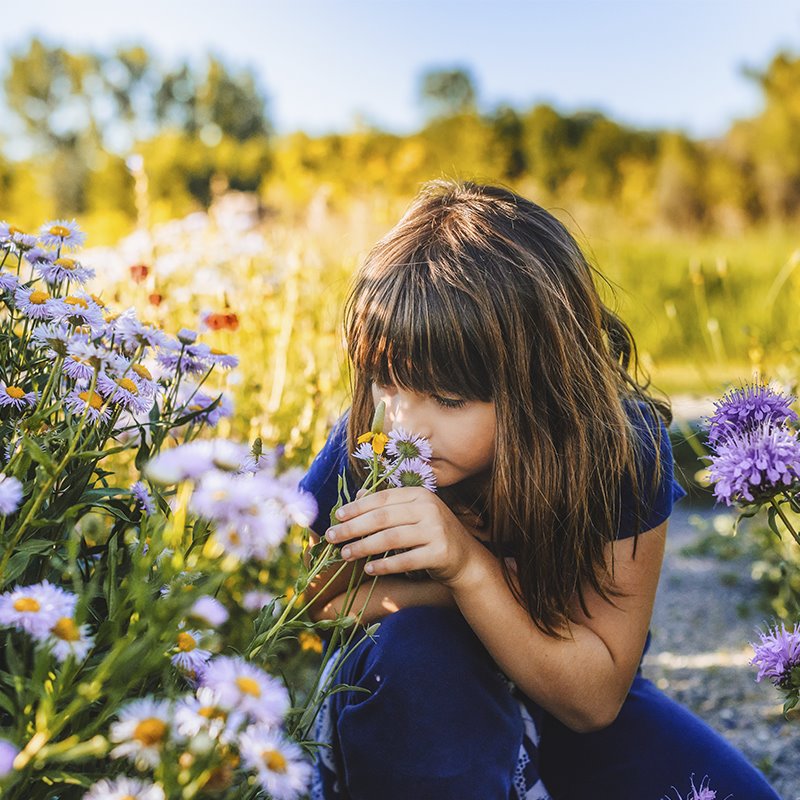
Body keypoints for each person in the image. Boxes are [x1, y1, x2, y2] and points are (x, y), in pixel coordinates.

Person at [298, 181, 780, 800]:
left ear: (538, 385)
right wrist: (458, 586)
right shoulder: (370, 444)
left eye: (448, 399)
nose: (405, 425)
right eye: (387, 384)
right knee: (421, 658)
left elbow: (595, 699)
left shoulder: (617, 452)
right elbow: (321, 603)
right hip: (420, 690)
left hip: (563, 688)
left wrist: (473, 567)